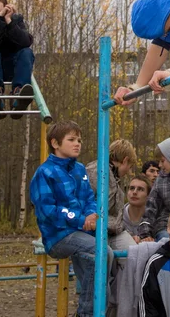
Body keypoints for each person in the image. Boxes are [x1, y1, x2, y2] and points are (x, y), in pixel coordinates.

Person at [30, 121, 112, 317]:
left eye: (79, 140)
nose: (78, 144)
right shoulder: (45, 172)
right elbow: (47, 211)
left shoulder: (79, 169)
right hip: (58, 236)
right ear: (55, 143)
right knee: (102, 252)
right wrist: (79, 219)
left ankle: (100, 309)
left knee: (96, 261)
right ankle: (86, 313)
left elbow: (88, 198)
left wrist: (92, 215)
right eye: (72, 140)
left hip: (81, 232)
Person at [86, 139, 138, 252]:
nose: (128, 172)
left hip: (111, 230)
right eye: (129, 167)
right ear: (125, 160)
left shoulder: (114, 177)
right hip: (96, 229)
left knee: (135, 255)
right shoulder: (98, 172)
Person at [123, 174, 151, 243]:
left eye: (140, 189)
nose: (134, 192)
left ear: (148, 195)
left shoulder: (153, 217)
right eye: (132, 188)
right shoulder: (118, 215)